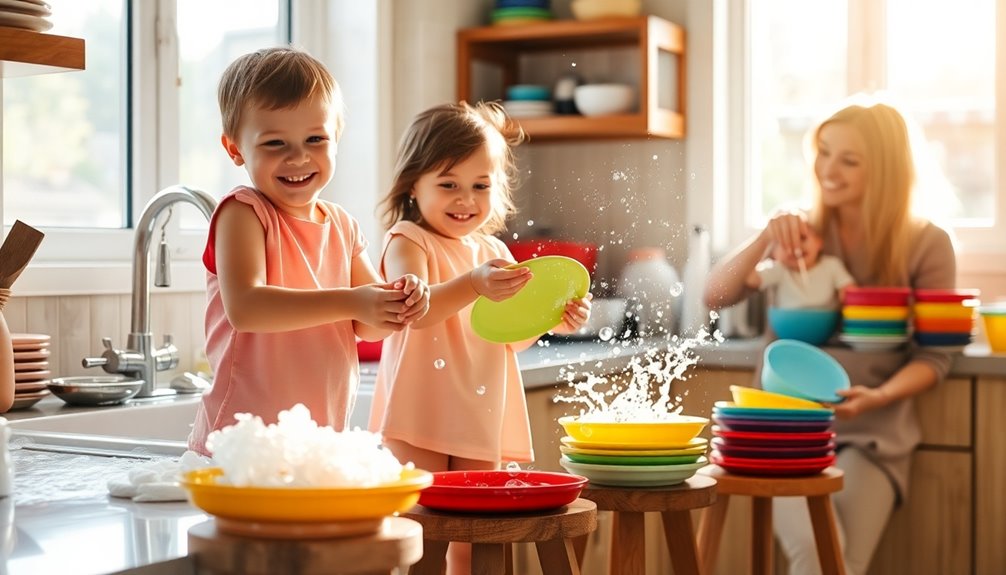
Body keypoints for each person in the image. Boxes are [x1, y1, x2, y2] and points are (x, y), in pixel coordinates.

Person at [703, 97, 956, 575]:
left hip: (872, 433)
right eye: (823, 151)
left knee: (842, 562)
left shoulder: (927, 243)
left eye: (849, 159)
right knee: (817, 558)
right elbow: (714, 296)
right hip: (779, 430)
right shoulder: (803, 234)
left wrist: (876, 397)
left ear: (885, 170)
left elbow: (935, 357)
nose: (827, 169)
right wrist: (764, 236)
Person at [368, 101, 591, 574]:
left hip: (480, 410)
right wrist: (473, 284)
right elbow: (415, 310)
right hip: (419, 407)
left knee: (476, 541)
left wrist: (553, 321)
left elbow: (506, 337)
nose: (465, 199)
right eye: (448, 184)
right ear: (414, 183)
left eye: (480, 186)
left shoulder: (492, 251)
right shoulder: (408, 240)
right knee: (420, 535)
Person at [188, 47, 430, 455]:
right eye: (275, 143)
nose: (298, 156)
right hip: (241, 444)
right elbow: (247, 307)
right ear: (235, 150)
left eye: (315, 139)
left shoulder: (342, 224)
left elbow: (370, 325)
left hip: (316, 442)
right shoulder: (244, 213)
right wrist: (355, 301)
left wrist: (400, 303)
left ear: (336, 137)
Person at [748, 225, 855, 310]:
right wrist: (762, 243)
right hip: (787, 328)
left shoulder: (832, 265)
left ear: (819, 242)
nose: (796, 247)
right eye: (786, 243)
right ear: (774, 253)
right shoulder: (779, 269)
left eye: (802, 238)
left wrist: (846, 295)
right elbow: (750, 279)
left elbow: (849, 290)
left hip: (825, 327)